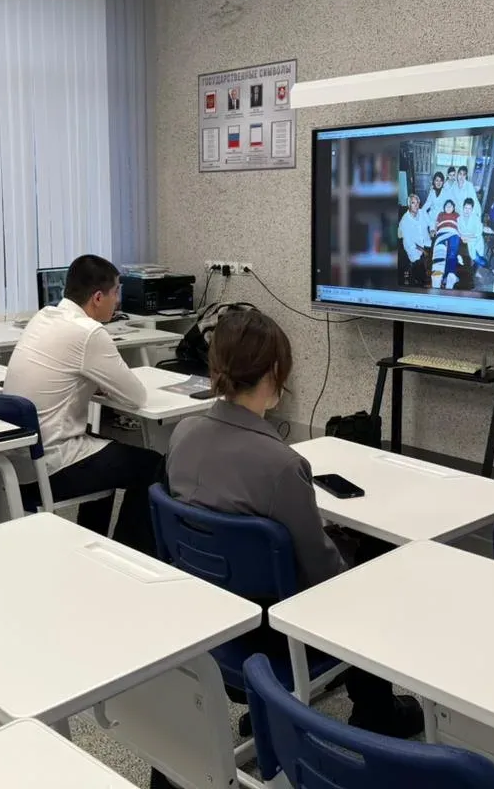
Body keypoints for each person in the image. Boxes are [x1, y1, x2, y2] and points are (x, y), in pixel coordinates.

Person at [166, 309, 420, 738]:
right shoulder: (283, 465)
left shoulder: (182, 435)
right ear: (275, 374)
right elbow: (322, 575)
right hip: (277, 632)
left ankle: (270, 703)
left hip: (214, 617)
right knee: (379, 561)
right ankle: (376, 712)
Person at [3, 255, 161, 554]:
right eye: (116, 291)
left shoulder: (45, 316)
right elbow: (135, 397)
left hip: (20, 462)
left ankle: (91, 545)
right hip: (50, 466)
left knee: (109, 451)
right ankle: (129, 551)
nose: (118, 300)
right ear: (98, 297)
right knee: (153, 465)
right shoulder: (88, 332)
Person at [397, 193, 430, 287]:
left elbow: (431, 223)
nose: (416, 205)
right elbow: (409, 242)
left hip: (426, 242)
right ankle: (419, 280)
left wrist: (432, 229)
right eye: (413, 203)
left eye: (417, 203)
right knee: (418, 264)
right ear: (409, 205)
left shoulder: (422, 213)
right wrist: (423, 250)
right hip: (413, 247)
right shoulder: (405, 221)